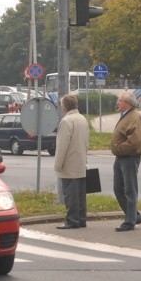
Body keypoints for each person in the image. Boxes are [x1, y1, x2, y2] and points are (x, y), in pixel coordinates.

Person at [54, 94, 89, 229]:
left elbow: (62, 145)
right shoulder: (82, 119)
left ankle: (72, 220)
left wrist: (58, 164)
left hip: (69, 163)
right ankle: (81, 219)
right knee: (80, 193)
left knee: (70, 194)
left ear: (64, 106)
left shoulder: (66, 121)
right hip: (80, 161)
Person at [111, 91, 141, 231]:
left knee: (130, 190)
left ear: (128, 103)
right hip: (121, 157)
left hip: (129, 157)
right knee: (118, 189)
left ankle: (130, 221)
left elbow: (134, 142)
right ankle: (135, 215)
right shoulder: (125, 115)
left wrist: (118, 148)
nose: (118, 102)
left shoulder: (134, 117)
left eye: (120, 100)